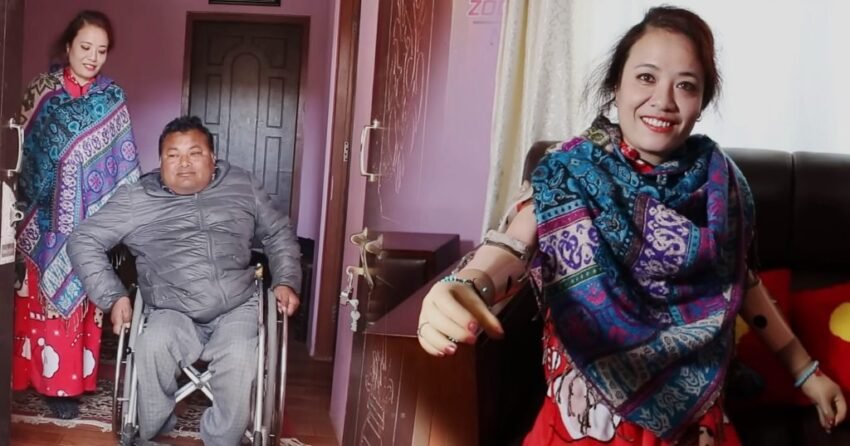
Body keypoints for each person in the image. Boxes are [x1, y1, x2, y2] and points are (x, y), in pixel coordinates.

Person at [416, 6, 847, 445]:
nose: (664, 100)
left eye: (686, 85)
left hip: (695, 423)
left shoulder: (722, 186)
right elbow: (514, 245)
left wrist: (807, 373)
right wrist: (467, 283)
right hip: (587, 423)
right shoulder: (570, 172)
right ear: (615, 86)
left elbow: (740, 282)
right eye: (646, 77)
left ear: (701, 104)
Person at [67, 116, 302, 446]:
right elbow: (83, 239)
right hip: (170, 307)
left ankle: (222, 439)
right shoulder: (137, 199)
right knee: (152, 345)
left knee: (240, 357)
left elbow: (277, 233)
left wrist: (286, 280)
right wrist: (113, 296)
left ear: (212, 157)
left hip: (236, 304)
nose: (184, 163)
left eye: (194, 153)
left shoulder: (242, 185)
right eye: (173, 155)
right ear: (160, 161)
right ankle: (151, 430)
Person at [12, 10, 141, 420]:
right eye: (85, 47)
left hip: (89, 226)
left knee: (82, 301)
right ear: (68, 46)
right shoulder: (42, 91)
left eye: (101, 51)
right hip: (41, 222)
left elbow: (123, 164)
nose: (92, 57)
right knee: (38, 302)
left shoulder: (112, 98)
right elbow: (19, 152)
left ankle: (66, 388)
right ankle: (26, 378)